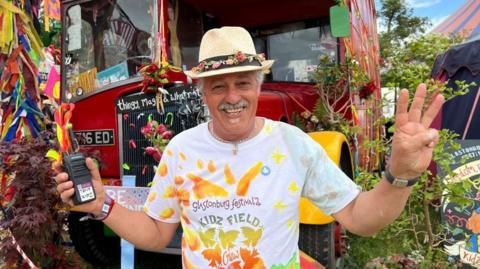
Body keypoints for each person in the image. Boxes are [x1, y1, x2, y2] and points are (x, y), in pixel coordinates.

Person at [55, 26, 445, 268]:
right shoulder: (181, 150)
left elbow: (362, 218)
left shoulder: (292, 144)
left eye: (243, 83)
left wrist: (400, 177)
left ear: (259, 86)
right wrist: (101, 204)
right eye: (218, 86)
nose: (232, 97)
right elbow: (157, 234)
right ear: (203, 94)